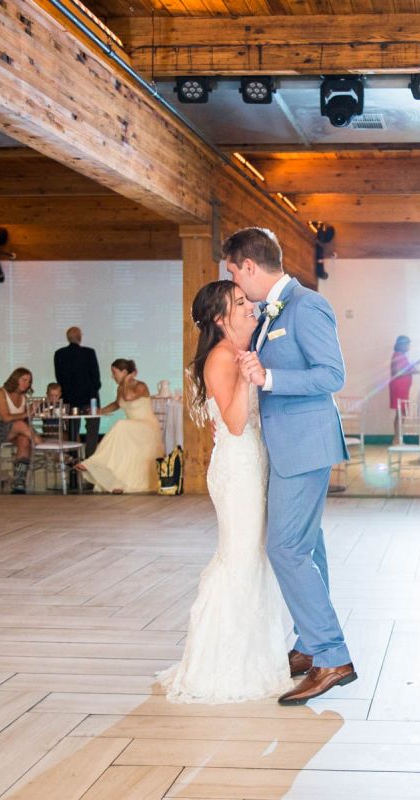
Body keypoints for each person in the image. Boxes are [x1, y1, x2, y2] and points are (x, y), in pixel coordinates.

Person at [228, 227, 355, 705]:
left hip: (305, 444)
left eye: (234, 273)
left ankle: (331, 655)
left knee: (285, 549)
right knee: (308, 549)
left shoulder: (307, 305)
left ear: (249, 267)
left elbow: (332, 375)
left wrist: (270, 377)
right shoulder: (269, 312)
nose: (235, 284)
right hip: (288, 445)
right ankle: (307, 644)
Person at [158, 279, 296, 705]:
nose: (250, 305)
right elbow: (235, 423)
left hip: (253, 464)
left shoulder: (236, 353)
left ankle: (255, 658)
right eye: (239, 303)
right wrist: (246, 373)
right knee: (239, 560)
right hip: (237, 470)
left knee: (253, 559)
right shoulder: (220, 358)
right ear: (219, 319)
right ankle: (222, 668)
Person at [75, 359, 162, 493]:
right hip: (133, 427)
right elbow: (118, 403)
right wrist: (101, 411)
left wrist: (126, 380)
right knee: (122, 431)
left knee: (121, 425)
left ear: (125, 372)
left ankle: (93, 462)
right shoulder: (120, 388)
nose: (113, 376)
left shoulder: (140, 386)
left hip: (146, 427)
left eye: (115, 372)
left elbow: (127, 397)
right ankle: (117, 483)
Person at [0, 367, 41, 494]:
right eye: (24, 380)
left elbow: (22, 418)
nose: (26, 384)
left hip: (12, 429)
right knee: (21, 425)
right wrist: (27, 413)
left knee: (24, 439)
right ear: (15, 379)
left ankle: (19, 480)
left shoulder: (23, 396)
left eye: (29, 381)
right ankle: (41, 444)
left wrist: (32, 410)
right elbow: (5, 417)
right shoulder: (0, 393)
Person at [54, 326, 103, 456]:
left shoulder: (59, 354)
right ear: (80, 338)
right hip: (90, 398)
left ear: (67, 338)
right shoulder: (89, 352)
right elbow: (96, 378)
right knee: (92, 430)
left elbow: (59, 378)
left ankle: (73, 458)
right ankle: (90, 457)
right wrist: (94, 391)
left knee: (72, 431)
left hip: (69, 399)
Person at [388, 335, 420, 435]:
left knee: (402, 412)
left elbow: (404, 368)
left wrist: (413, 365)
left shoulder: (400, 355)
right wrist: (413, 372)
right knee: (401, 413)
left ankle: (398, 437)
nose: (408, 347)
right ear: (402, 345)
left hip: (402, 388)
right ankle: (397, 438)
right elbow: (398, 372)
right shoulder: (397, 355)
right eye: (407, 345)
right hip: (399, 388)